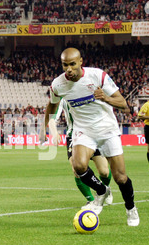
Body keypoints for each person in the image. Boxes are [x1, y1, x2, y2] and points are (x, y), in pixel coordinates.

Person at [42, 47, 139, 226]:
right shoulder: (58, 84)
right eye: (65, 65)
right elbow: (52, 106)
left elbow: (123, 103)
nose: (69, 69)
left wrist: (106, 98)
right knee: (78, 166)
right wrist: (49, 127)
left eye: (72, 64)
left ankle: (131, 208)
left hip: (107, 129)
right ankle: (101, 191)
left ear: (80, 62)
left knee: (121, 177)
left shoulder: (97, 76)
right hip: (83, 130)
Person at [48, 98, 112, 214]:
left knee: (104, 172)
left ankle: (105, 189)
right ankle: (91, 200)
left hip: (93, 135)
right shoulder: (63, 98)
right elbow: (52, 118)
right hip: (74, 137)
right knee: (76, 168)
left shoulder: (89, 91)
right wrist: (55, 133)